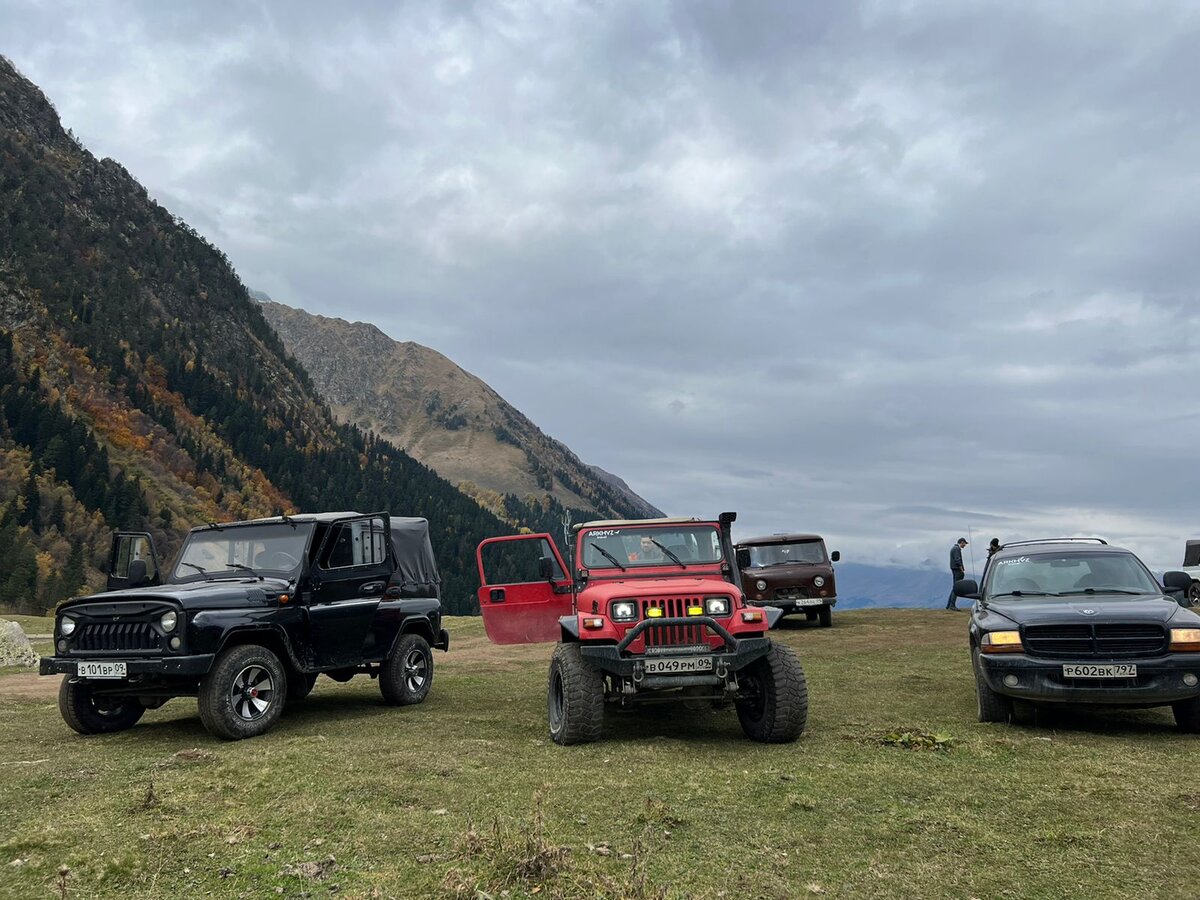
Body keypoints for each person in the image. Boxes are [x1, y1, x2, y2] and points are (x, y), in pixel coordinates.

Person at [946, 537, 968, 609]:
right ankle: (952, 605)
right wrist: (961, 569)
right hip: (957, 570)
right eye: (964, 543)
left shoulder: (954, 548)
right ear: (961, 542)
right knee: (957, 588)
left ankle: (949, 605)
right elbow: (957, 560)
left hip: (954, 569)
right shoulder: (956, 549)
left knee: (954, 587)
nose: (964, 545)